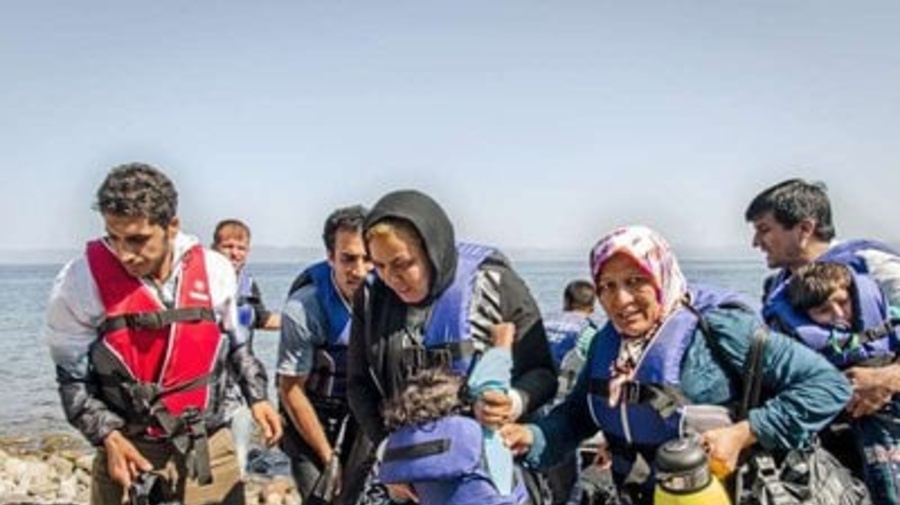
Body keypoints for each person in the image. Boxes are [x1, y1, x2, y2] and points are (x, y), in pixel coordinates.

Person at [500, 225, 851, 505]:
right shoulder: (607, 344)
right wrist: (532, 436)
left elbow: (828, 386)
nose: (621, 299)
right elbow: (579, 414)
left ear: (661, 275)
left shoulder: (720, 329)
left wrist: (743, 433)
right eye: (607, 286)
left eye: (635, 281)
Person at [44, 163, 282, 505]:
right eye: (113, 237)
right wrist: (107, 436)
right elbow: (72, 379)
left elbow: (237, 347)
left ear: (172, 227)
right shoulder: (78, 282)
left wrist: (258, 397)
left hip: (208, 446)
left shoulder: (215, 270)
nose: (124, 253)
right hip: (128, 450)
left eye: (137, 239)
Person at [346, 189, 558, 504]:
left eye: (403, 263)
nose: (392, 278)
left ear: (433, 250)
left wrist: (513, 402)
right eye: (379, 265)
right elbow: (359, 385)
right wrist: (389, 454)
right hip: (410, 479)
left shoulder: (493, 284)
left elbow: (543, 372)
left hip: (489, 474)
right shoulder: (370, 297)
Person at [746, 178, 900, 496]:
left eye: (764, 229)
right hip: (830, 455)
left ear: (804, 228)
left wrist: (890, 377)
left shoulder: (875, 269)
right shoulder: (776, 289)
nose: (756, 242)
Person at [773, 261, 900, 503]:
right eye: (823, 310)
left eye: (843, 302)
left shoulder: (891, 324)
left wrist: (888, 376)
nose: (839, 315)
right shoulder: (796, 353)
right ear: (805, 316)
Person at [277, 205, 372, 498]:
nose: (359, 271)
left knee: (355, 495)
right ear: (331, 257)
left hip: (360, 412)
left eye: (368, 258)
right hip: (311, 408)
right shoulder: (303, 309)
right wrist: (327, 456)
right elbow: (290, 390)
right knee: (320, 493)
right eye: (348, 259)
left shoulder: (387, 298)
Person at [377, 323, 527, 505]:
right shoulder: (480, 431)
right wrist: (502, 339)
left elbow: (394, 480)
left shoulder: (401, 446)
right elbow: (491, 382)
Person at [212, 218, 282, 478]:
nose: (235, 253)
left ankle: (239, 473)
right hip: (212, 376)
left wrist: (301, 324)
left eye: (241, 248)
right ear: (215, 248)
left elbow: (262, 319)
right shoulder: (204, 283)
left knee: (240, 421)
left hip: (241, 374)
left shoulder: (248, 285)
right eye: (228, 246)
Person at [544, 279, 599, 395]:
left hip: (532, 390)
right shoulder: (589, 332)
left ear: (566, 302)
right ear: (592, 307)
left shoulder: (543, 323)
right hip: (564, 393)